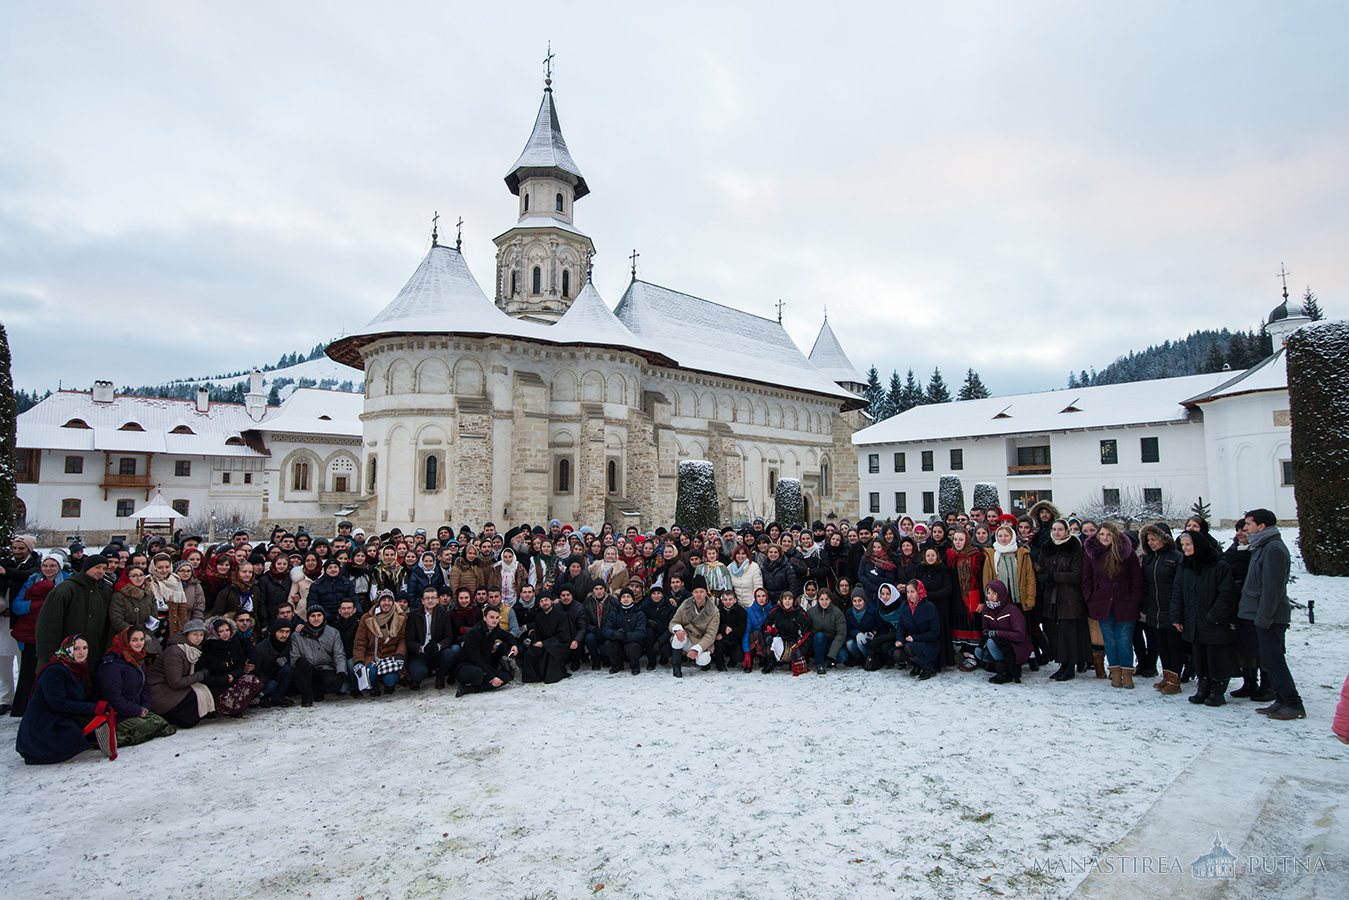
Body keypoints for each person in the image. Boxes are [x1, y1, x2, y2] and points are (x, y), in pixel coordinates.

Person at [1238, 509, 1304, 720]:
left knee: (1274, 660)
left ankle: (1293, 704)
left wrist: (1264, 618)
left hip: (1271, 617)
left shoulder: (1273, 548)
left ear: (1262, 526)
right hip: (1261, 615)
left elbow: (1272, 589)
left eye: (1248, 524)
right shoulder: (1262, 546)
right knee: (1269, 658)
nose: (1245, 528)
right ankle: (1281, 700)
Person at [16, 634, 116, 764]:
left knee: (100, 718)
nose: (82, 652)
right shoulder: (55, 670)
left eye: (85, 648)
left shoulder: (76, 669)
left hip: (59, 716)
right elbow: (58, 704)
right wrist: (94, 708)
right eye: (76, 648)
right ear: (67, 649)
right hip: (42, 726)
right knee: (98, 720)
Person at [1171, 531, 1238, 707]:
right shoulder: (1185, 565)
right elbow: (1178, 592)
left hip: (1214, 621)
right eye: (1183, 544)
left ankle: (1218, 691)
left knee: (1217, 656)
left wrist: (1213, 616)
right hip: (1193, 619)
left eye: (1188, 544)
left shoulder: (1218, 565)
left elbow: (1226, 594)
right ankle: (1203, 687)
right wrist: (1177, 616)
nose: (1184, 548)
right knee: (1199, 656)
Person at [1082, 522, 1144, 688]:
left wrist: (1135, 600)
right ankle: (1115, 673)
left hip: (1125, 603)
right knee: (1109, 641)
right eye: (1102, 534)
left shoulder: (1127, 553)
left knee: (1124, 640)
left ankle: (1127, 673)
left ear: (1115, 536)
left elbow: (1137, 579)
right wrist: (1090, 598)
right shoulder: (1092, 554)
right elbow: (1086, 578)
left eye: (1108, 535)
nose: (1105, 538)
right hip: (1101, 603)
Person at [95, 627, 177, 747]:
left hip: (135, 709)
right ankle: (108, 738)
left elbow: (144, 687)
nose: (139, 643)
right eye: (134, 640)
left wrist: (145, 707)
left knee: (165, 727)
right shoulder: (112, 664)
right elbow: (113, 698)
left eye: (141, 639)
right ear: (125, 641)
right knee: (148, 727)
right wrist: (137, 711)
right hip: (117, 713)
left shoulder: (137, 659)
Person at [9, 554, 68, 718]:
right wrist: (35, 605)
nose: (48, 569)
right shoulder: (31, 581)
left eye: (52, 566)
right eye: (45, 566)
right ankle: (26, 708)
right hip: (31, 634)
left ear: (59, 567)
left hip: (57, 634)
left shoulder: (67, 582)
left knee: (53, 672)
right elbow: (17, 605)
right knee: (29, 672)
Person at [35, 554, 113, 664]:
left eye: (104, 568)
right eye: (97, 567)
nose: (101, 571)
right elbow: (48, 624)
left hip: (92, 655)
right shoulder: (66, 589)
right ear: (87, 567)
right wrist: (49, 656)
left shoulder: (105, 590)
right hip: (64, 654)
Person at [1035, 520, 1087, 681]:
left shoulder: (1075, 548)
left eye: (1060, 529)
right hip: (1051, 597)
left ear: (1067, 531)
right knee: (1055, 632)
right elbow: (1041, 566)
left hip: (1069, 597)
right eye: (1054, 529)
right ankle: (1062, 665)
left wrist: (1054, 576)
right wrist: (1042, 575)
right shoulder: (1047, 547)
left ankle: (1070, 666)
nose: (1057, 532)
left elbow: (1077, 574)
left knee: (1069, 633)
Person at [1139, 524, 1184, 695]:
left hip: (1172, 608)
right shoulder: (1149, 559)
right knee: (1162, 645)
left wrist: (1178, 611)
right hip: (1155, 609)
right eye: (1148, 540)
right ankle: (1167, 675)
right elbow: (1146, 584)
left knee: (1174, 646)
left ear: (1164, 539)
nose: (1151, 543)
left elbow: (1181, 587)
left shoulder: (1176, 558)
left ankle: (1175, 679)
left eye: (1154, 539)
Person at [1, 535, 42, 715]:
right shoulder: (7, 562)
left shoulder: (36, 565)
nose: (17, 552)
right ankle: (5, 697)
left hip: (23, 620)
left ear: (29, 549)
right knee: (3, 658)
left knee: (23, 660)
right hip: (3, 618)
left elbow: (25, 575)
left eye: (21, 549)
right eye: (15, 548)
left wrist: (5, 572)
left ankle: (24, 697)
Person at [148, 620, 215, 728]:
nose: (199, 638)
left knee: (201, 691)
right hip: (159, 691)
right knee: (194, 697)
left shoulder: (193, 650)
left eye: (201, 634)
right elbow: (175, 682)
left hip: (169, 688)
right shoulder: (175, 651)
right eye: (195, 634)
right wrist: (200, 675)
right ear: (186, 635)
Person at [201, 617, 264, 717]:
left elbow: (240, 662)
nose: (225, 634)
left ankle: (239, 707)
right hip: (217, 686)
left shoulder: (234, 643)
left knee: (253, 681)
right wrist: (224, 679)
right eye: (221, 631)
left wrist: (233, 675)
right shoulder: (208, 649)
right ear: (215, 632)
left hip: (233, 679)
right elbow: (205, 675)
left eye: (227, 630)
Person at [973, 581, 1032, 685]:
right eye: (988, 593)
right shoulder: (987, 611)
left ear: (1001, 594)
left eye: (994, 593)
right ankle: (1005, 666)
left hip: (1017, 646)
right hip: (1000, 644)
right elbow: (985, 628)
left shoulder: (1012, 610)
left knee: (992, 642)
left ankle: (1004, 673)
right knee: (979, 652)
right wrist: (987, 633)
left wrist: (997, 633)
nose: (990, 596)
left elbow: (1020, 635)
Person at [290, 606, 349, 705]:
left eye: (319, 615)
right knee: (301, 666)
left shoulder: (333, 632)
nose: (316, 618)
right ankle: (307, 695)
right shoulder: (297, 635)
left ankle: (319, 691)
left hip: (326, 668)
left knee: (340, 686)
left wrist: (341, 673)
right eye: (313, 616)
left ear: (323, 616)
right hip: (307, 670)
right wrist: (301, 663)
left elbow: (339, 655)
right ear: (308, 618)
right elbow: (294, 657)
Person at [352, 590, 407, 697]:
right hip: (372, 655)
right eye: (383, 600)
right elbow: (360, 642)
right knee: (369, 672)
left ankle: (389, 685)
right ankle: (374, 686)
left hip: (390, 655)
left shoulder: (401, 618)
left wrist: (400, 655)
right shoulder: (367, 618)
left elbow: (402, 639)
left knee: (391, 679)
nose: (386, 603)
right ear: (379, 602)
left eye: (389, 600)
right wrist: (358, 661)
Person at [454, 606, 516, 696]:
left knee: (506, 677)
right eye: (491, 617)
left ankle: (468, 689)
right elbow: (475, 659)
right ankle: (474, 683)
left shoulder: (495, 628)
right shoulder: (474, 633)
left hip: (483, 664)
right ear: (484, 618)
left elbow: (507, 636)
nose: (494, 620)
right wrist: (491, 677)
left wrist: (513, 645)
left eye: (497, 617)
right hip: (466, 665)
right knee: (478, 674)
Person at [405, 586, 457, 690]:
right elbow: (409, 641)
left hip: (437, 651)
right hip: (419, 653)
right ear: (422, 601)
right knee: (419, 672)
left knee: (449, 654)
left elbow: (448, 637)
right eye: (427, 598)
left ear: (437, 600)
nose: (430, 601)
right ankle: (416, 679)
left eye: (433, 598)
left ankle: (440, 677)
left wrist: (438, 646)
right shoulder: (414, 616)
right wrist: (421, 648)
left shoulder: (444, 614)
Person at [669, 575, 720, 677]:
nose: (698, 595)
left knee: (703, 660)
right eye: (696, 592)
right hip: (687, 637)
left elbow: (711, 634)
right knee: (677, 637)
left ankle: (703, 661)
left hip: (701, 642)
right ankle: (676, 666)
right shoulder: (685, 604)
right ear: (692, 594)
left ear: (706, 593)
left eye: (701, 592)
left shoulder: (714, 611)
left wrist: (697, 649)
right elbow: (674, 622)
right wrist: (677, 629)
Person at [521, 591, 574, 684]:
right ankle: (534, 677)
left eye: (546, 600)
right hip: (544, 643)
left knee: (549, 651)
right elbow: (537, 635)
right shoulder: (538, 617)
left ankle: (548, 676)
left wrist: (544, 644)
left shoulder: (561, 615)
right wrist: (537, 643)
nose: (544, 603)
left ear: (551, 601)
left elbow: (563, 637)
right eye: (541, 601)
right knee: (530, 653)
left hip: (558, 644)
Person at [893, 581, 940, 679]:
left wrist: (914, 638)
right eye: (907, 592)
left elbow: (934, 632)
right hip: (910, 640)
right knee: (897, 653)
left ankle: (928, 668)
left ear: (919, 591)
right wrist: (899, 640)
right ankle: (917, 664)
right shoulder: (905, 606)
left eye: (912, 592)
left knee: (910, 648)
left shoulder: (929, 607)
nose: (910, 595)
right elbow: (901, 626)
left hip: (927, 642)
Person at [601, 588, 648, 675]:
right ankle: (616, 665)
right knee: (608, 644)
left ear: (632, 599)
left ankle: (634, 666)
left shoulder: (639, 614)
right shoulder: (614, 613)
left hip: (633, 644)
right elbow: (606, 629)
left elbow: (641, 632)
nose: (626, 599)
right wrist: (614, 634)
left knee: (632, 646)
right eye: (623, 597)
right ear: (620, 600)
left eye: (628, 597)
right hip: (618, 643)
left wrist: (626, 636)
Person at [761, 590, 808, 675]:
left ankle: (792, 661)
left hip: (794, 642)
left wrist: (801, 650)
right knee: (773, 641)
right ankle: (772, 662)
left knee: (796, 653)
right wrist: (768, 636)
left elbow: (807, 633)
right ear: (781, 600)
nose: (787, 601)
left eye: (790, 599)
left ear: (793, 600)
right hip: (780, 640)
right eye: (785, 598)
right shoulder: (775, 611)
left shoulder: (800, 613)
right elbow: (766, 625)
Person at [250, 620, 295, 708]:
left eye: (287, 632)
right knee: (271, 685)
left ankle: (276, 698)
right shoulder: (261, 648)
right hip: (264, 678)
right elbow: (255, 672)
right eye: (281, 631)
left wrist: (286, 659)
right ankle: (260, 698)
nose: (284, 635)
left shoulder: (290, 643)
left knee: (287, 669)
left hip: (278, 674)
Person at [806, 588, 847, 675]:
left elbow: (841, 634)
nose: (824, 602)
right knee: (819, 636)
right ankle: (819, 664)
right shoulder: (811, 612)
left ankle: (829, 658)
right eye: (822, 599)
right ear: (818, 600)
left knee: (843, 656)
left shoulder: (837, 613)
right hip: (817, 642)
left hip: (831, 642)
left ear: (830, 600)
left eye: (826, 599)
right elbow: (807, 630)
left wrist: (832, 654)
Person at [709, 589, 747, 672]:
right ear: (722, 601)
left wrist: (724, 634)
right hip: (721, 640)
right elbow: (714, 625)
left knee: (739, 655)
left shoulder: (741, 612)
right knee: (718, 643)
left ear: (735, 600)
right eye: (725, 600)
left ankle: (733, 661)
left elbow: (740, 630)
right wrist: (723, 628)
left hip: (735, 640)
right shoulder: (717, 610)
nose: (728, 602)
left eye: (730, 599)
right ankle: (719, 664)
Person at [840, 592, 880, 667]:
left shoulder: (873, 611)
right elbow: (847, 629)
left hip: (868, 639)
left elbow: (879, 625)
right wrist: (857, 633)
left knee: (861, 643)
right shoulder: (849, 612)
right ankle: (857, 658)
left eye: (860, 600)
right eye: (854, 601)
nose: (857, 603)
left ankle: (866, 658)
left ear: (864, 601)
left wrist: (873, 632)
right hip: (854, 637)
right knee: (849, 643)